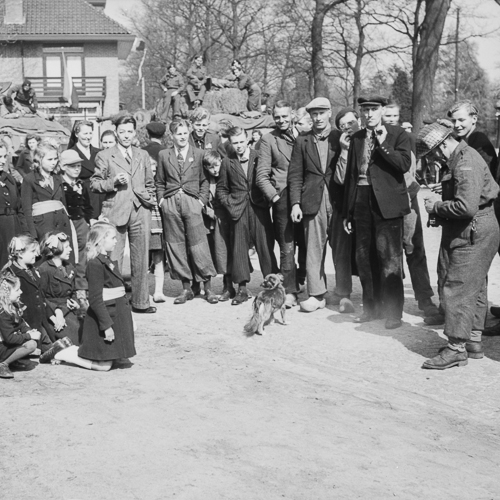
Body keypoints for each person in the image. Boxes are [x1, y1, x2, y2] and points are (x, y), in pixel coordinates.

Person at [417, 120, 499, 369]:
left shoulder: (465, 163)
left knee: (457, 287)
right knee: (474, 287)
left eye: (432, 156)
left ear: (442, 146)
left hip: (474, 230)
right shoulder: (461, 157)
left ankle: (455, 348)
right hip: (476, 228)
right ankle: (472, 341)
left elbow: (466, 207)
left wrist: (436, 206)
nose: (434, 161)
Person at [343, 96, 411, 329]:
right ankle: (371, 308)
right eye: (366, 110)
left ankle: (393, 313)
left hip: (388, 204)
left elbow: (403, 165)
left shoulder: (398, 134)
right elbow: (352, 175)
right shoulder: (357, 138)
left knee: (390, 259)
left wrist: (383, 144)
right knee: (364, 258)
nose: (369, 114)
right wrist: (347, 211)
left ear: (382, 111)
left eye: (374, 109)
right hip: (361, 201)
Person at [42, 222, 136, 371]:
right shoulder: (95, 265)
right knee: (104, 366)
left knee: (117, 359)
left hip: (115, 315)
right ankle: (64, 353)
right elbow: (96, 299)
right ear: (101, 241)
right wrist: (106, 327)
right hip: (103, 320)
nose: (116, 241)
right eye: (112, 238)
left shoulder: (106, 261)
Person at [91, 115, 156, 314]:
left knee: (141, 258)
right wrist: (112, 183)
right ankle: (116, 302)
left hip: (140, 210)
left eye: (129, 131)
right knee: (114, 259)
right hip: (115, 210)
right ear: (116, 132)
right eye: (122, 132)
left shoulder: (142, 154)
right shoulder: (105, 155)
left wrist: (148, 200)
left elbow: (150, 183)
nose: (126, 136)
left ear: (135, 132)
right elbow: (94, 184)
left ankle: (141, 302)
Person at [382, 103, 440, 320]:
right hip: (384, 203)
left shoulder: (407, 138)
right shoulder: (374, 139)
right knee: (388, 253)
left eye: (395, 115)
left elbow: (414, 167)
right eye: (387, 115)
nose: (391, 119)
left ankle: (425, 299)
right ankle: (390, 304)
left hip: (407, 199)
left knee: (414, 248)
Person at [288, 97, 342, 313]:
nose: (318, 118)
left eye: (322, 113)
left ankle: (343, 293)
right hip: (312, 200)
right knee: (313, 248)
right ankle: (317, 294)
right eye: (314, 114)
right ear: (310, 117)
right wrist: (295, 204)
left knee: (341, 248)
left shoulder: (341, 138)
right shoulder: (302, 141)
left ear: (330, 113)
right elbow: (295, 175)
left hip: (338, 200)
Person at [156, 120, 217, 304]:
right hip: (171, 203)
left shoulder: (199, 154)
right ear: (172, 136)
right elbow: (159, 181)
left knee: (199, 244)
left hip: (192, 202)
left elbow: (205, 181)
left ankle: (208, 288)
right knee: (176, 245)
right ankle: (186, 288)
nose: (182, 137)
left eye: (184, 133)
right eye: (178, 134)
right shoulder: (163, 155)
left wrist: (200, 201)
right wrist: (162, 201)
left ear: (188, 133)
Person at [216, 126, 278, 305]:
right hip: (238, 210)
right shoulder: (227, 162)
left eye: (242, 142)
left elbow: (270, 178)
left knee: (265, 247)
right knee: (239, 249)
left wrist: (267, 199)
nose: (239, 146)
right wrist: (229, 203)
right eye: (235, 143)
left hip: (259, 208)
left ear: (248, 139)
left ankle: (272, 287)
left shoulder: (259, 156)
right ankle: (242, 289)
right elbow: (221, 188)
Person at [257, 100, 303, 308]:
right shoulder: (269, 140)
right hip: (283, 197)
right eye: (277, 117)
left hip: (306, 195)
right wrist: (275, 198)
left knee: (309, 243)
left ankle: (306, 281)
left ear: (292, 114)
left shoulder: (304, 135)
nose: (281, 120)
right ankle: (290, 291)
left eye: (285, 116)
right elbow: (262, 176)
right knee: (287, 246)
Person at [2, 236, 54, 352]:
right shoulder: (10, 273)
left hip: (39, 321)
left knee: (51, 348)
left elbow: (40, 295)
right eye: (32, 251)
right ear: (20, 254)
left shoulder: (31, 270)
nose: (36, 254)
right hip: (24, 322)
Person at [20, 141, 73, 245]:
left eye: (55, 159)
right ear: (39, 160)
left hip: (62, 226)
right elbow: (26, 210)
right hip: (43, 229)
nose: (53, 162)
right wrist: (33, 235)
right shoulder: (30, 179)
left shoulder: (57, 178)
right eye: (49, 159)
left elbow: (63, 203)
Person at [38, 232, 82, 345]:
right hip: (52, 314)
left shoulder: (69, 267)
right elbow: (41, 298)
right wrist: (56, 312)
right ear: (55, 250)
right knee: (74, 338)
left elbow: (73, 291)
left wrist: (76, 303)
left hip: (68, 310)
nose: (71, 249)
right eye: (67, 247)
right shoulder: (44, 270)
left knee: (87, 331)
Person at [59, 149, 93, 292]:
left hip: (81, 222)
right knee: (69, 253)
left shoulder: (81, 184)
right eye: (73, 166)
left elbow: (87, 205)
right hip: (68, 222)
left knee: (84, 253)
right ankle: (69, 285)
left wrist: (88, 220)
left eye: (79, 166)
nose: (77, 169)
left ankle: (82, 287)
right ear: (63, 167)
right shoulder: (60, 184)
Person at [141, 122, 167, 304]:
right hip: (153, 207)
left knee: (146, 251)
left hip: (150, 207)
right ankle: (154, 291)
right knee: (156, 252)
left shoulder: (141, 151)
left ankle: (149, 290)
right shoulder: (166, 152)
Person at [202, 151, 234, 300]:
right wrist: (207, 210)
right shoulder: (205, 180)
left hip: (223, 219)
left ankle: (228, 286)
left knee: (224, 252)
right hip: (207, 220)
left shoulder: (226, 176)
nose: (215, 170)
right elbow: (200, 196)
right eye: (210, 167)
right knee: (206, 253)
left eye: (216, 166)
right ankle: (206, 287)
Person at [0, 274, 39, 379]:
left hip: (5, 344)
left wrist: (30, 331)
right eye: (17, 290)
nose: (21, 292)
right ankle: (3, 364)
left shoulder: (13, 306)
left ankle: (11, 360)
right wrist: (29, 336)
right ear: (6, 294)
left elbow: (21, 324)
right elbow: (9, 339)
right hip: (2, 344)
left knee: (32, 341)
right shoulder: (3, 312)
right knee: (31, 344)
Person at [0, 139, 28, 269]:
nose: (3, 160)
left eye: (5, 156)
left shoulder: (9, 178)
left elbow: (19, 208)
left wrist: (24, 233)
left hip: (13, 229)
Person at [68, 120, 103, 220]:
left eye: (90, 133)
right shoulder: (71, 153)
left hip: (101, 198)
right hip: (83, 200)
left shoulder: (99, 152)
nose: (88, 137)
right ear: (76, 134)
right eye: (85, 133)